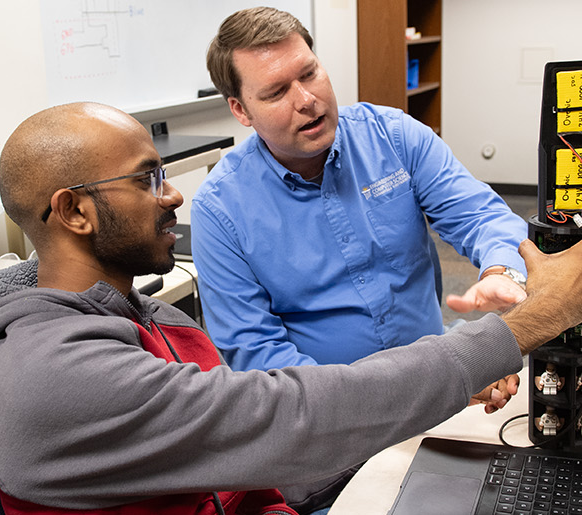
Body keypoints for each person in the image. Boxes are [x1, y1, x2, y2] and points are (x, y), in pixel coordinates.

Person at [0, 102, 582, 515]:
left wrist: (432, 401)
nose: (172, 194)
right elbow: (285, 414)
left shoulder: (159, 320)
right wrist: (529, 323)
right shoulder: (49, 373)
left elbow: (263, 450)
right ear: (74, 211)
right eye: (148, 178)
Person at [192, 7, 532, 377]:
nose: (306, 99)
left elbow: (480, 216)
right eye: (276, 92)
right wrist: (405, 393)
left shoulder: (394, 137)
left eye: (310, 73)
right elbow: (256, 351)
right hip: (330, 415)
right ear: (241, 110)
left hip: (437, 375)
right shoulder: (219, 209)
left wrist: (502, 270)